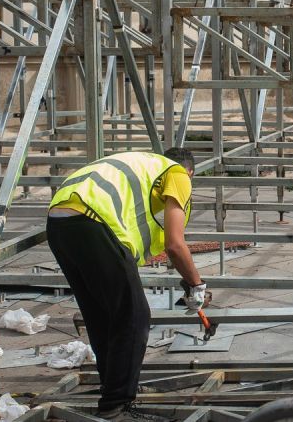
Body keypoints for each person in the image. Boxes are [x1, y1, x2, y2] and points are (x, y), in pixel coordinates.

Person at [46, 148, 207, 420]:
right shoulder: (178, 173)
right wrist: (197, 285)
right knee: (134, 316)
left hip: (59, 223)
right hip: (92, 221)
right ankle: (117, 404)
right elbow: (175, 244)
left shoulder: (142, 165)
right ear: (190, 171)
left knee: (103, 315)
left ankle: (113, 390)